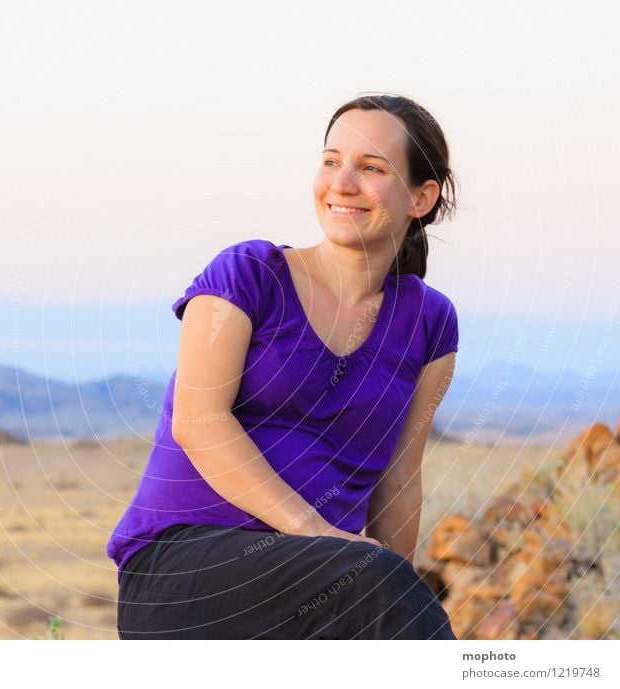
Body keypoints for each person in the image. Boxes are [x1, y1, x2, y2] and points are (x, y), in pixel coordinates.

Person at [106, 93, 460, 639]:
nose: (342, 183)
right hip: (182, 566)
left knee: (382, 587)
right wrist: (317, 534)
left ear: (421, 196)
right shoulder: (248, 274)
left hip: (325, 586)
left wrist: (387, 594)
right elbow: (198, 421)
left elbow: (399, 481)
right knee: (375, 581)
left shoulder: (430, 323)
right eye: (331, 160)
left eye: (370, 168)